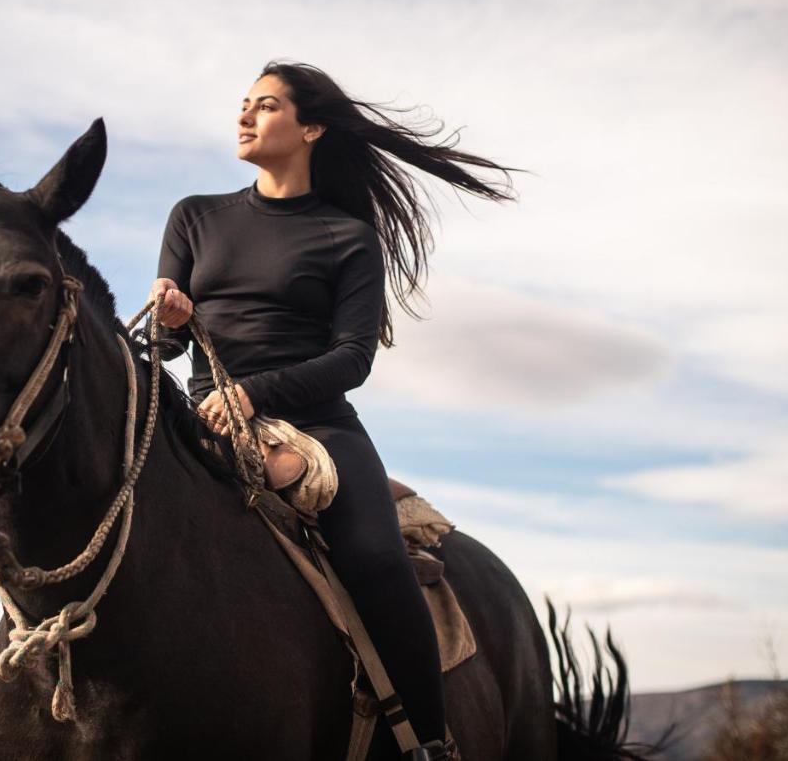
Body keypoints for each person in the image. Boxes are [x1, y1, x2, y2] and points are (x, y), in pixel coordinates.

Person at [149, 60, 518, 759]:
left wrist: (257, 392)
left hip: (317, 422)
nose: (245, 115)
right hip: (206, 420)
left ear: (311, 126)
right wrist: (168, 317)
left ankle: (430, 746)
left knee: (377, 558)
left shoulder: (347, 236)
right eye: (243, 104)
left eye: (265, 105)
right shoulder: (195, 216)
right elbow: (165, 346)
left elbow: (353, 357)